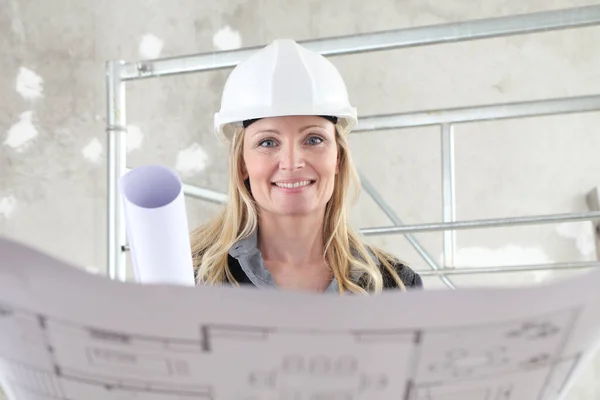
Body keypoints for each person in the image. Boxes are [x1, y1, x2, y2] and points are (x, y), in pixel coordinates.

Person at [190, 38, 423, 294]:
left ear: (338, 158)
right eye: (268, 142)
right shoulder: (192, 278)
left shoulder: (395, 286)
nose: (292, 162)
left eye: (313, 139)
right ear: (243, 164)